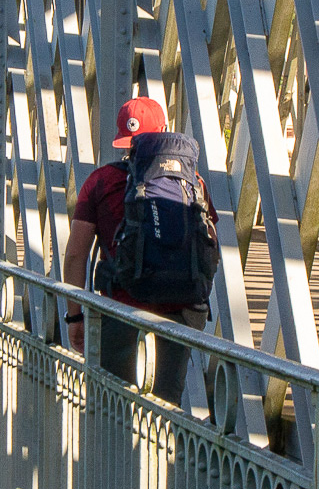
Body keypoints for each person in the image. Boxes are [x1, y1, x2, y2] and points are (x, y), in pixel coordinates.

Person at [62, 97, 218, 405]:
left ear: (124, 141)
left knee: (114, 411)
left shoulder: (100, 181)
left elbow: (75, 255)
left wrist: (74, 317)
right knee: (162, 409)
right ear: (163, 131)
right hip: (177, 314)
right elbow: (209, 243)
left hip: (120, 312)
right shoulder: (192, 183)